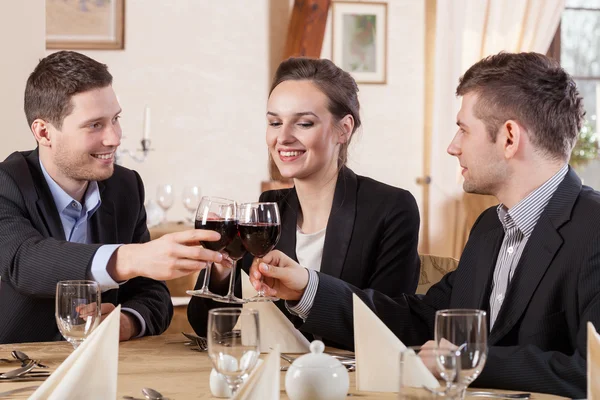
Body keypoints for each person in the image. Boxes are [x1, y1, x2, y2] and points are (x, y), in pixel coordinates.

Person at [249, 52, 600, 398]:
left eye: (463, 130)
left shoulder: (593, 228)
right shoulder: (491, 227)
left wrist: (464, 362)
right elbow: (420, 320)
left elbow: (592, 371)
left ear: (509, 137)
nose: (453, 147)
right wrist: (307, 288)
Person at [188, 57, 421, 347]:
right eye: (274, 122)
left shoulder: (392, 208)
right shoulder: (267, 212)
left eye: (304, 123)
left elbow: (391, 324)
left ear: (343, 129)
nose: (283, 138)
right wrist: (223, 269)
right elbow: (205, 325)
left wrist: (307, 286)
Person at [0, 51, 224, 344]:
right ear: (44, 132)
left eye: (115, 119)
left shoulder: (125, 186)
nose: (115, 138)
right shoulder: (7, 183)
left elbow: (152, 294)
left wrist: (126, 322)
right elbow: (24, 261)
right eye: (95, 125)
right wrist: (131, 258)